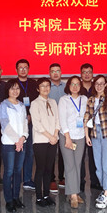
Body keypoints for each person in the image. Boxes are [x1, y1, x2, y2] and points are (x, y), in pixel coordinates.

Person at [84, 75, 107, 209]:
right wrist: (87, 136)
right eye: (97, 84)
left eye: (101, 83)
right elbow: (86, 118)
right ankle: (105, 190)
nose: (99, 86)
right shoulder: (91, 100)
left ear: (105, 85)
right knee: (98, 166)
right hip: (94, 134)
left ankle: (106, 193)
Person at [0, 79, 29, 213]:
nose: (15, 91)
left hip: (21, 142)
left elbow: (25, 123)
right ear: (8, 90)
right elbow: (5, 125)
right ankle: (9, 200)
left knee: (18, 171)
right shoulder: (3, 105)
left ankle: (16, 197)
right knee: (9, 172)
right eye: (12, 88)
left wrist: (23, 138)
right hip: (9, 143)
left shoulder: (22, 105)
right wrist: (17, 140)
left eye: (17, 88)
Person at [58, 76, 87, 208]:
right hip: (67, 136)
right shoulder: (63, 100)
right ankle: (73, 195)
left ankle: (74, 192)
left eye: (77, 84)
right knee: (69, 165)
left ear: (80, 86)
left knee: (77, 165)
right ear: (68, 86)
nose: (75, 87)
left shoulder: (84, 99)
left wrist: (86, 134)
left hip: (80, 136)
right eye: (72, 84)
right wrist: (67, 137)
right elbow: (62, 120)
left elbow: (86, 117)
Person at [30, 78, 60, 207]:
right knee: (40, 169)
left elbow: (57, 120)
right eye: (42, 86)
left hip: (53, 140)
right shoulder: (35, 103)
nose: (45, 88)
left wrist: (55, 135)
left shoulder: (53, 102)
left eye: (48, 85)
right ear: (38, 89)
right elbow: (37, 124)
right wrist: (50, 137)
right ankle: (39, 197)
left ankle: (46, 195)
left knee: (49, 169)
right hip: (40, 141)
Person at [15, 59, 38, 191]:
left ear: (28, 69)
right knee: (17, 150)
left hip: (31, 122)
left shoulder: (34, 84)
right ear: (16, 70)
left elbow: (37, 102)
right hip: (16, 124)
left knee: (29, 151)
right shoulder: (12, 84)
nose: (23, 70)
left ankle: (27, 179)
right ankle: (16, 178)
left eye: (25, 68)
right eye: (20, 68)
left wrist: (31, 115)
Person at [79, 63, 101, 191]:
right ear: (81, 74)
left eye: (89, 72)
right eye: (84, 72)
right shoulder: (77, 87)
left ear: (92, 74)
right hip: (79, 127)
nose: (87, 74)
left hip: (94, 127)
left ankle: (95, 180)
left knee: (94, 155)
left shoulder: (96, 88)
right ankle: (80, 182)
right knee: (80, 156)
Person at [48, 63, 66, 192]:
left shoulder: (66, 87)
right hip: (51, 124)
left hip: (64, 124)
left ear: (61, 72)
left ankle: (62, 177)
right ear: (49, 73)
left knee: (63, 152)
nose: (55, 73)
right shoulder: (46, 87)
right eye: (53, 71)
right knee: (51, 153)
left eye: (57, 71)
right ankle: (51, 179)